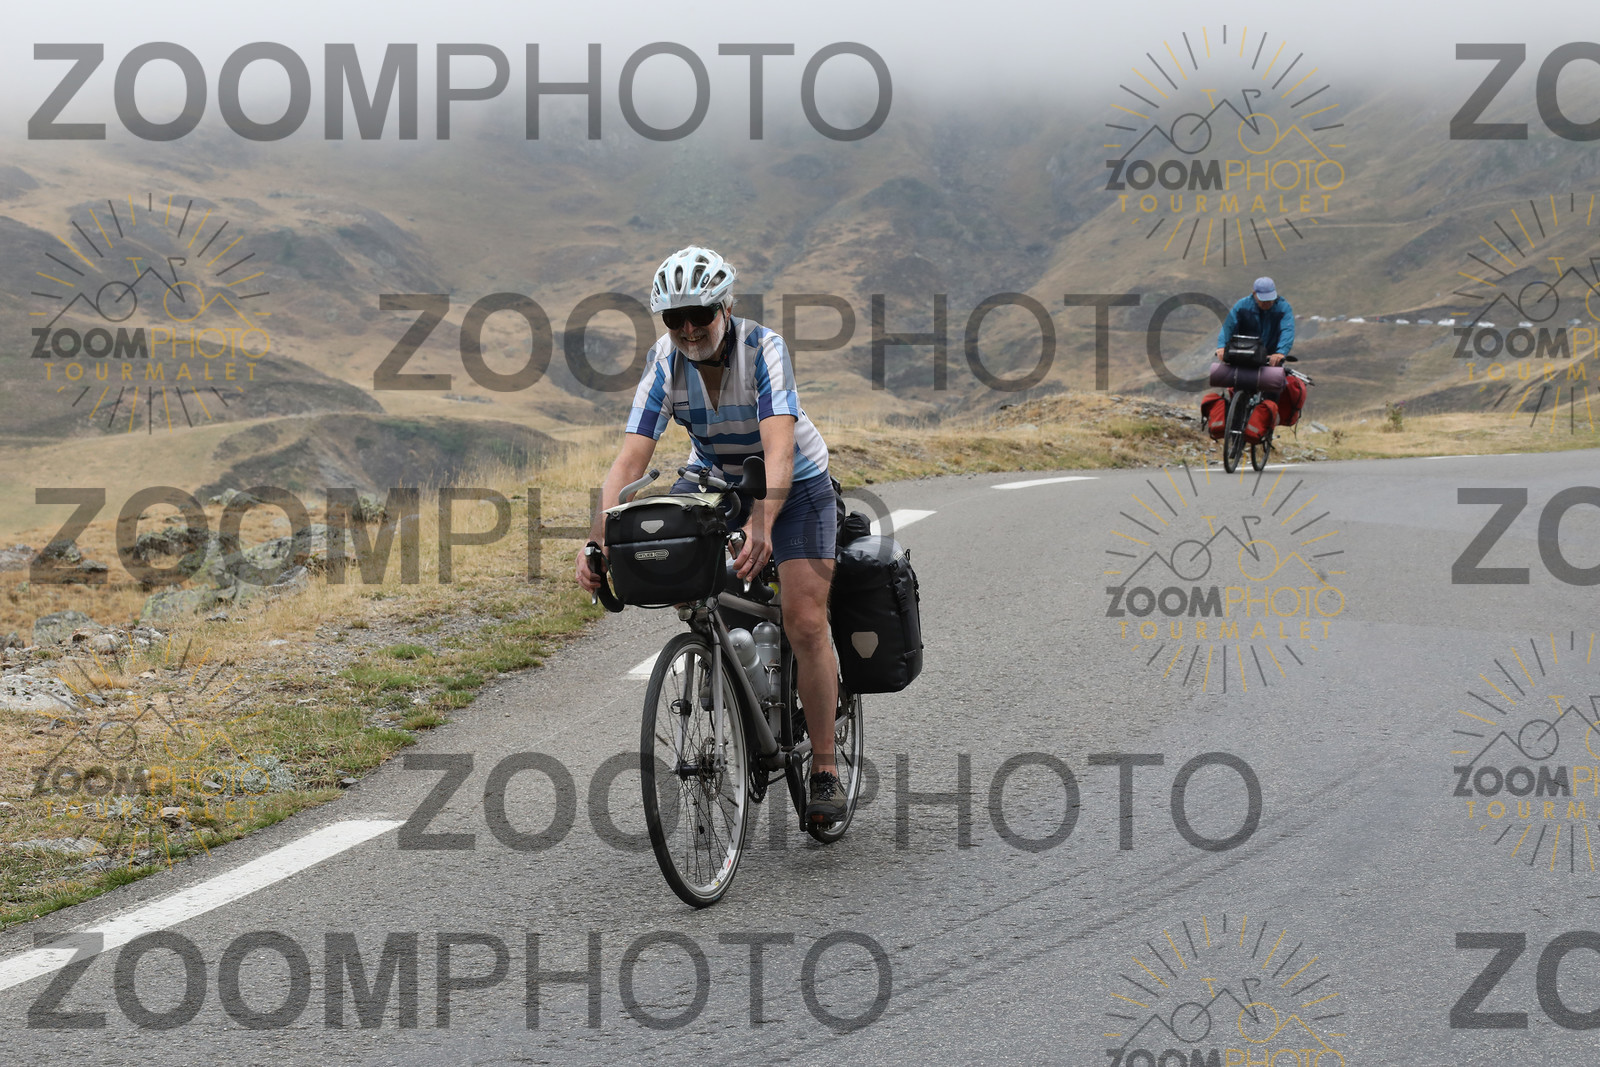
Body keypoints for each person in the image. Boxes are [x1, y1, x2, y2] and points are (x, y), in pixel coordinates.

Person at [575, 245, 847, 825]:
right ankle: (730, 671)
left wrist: (763, 521)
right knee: (672, 565)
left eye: (700, 314)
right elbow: (629, 460)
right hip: (717, 481)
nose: (688, 329)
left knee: (803, 619)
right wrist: (598, 540)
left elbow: (778, 449)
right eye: (674, 318)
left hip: (796, 484)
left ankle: (824, 766)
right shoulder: (664, 362)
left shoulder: (764, 349)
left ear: (725, 308)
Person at [1210, 276, 1306, 431]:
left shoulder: (1283, 307)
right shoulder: (1242, 305)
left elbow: (1287, 330)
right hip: (1245, 354)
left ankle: (1265, 429)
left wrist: (1280, 352)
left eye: (1270, 299)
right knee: (1238, 388)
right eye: (1263, 299)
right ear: (1254, 294)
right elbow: (1228, 326)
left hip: (1271, 357)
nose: (1267, 303)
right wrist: (1222, 346)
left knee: (1272, 390)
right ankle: (1235, 431)